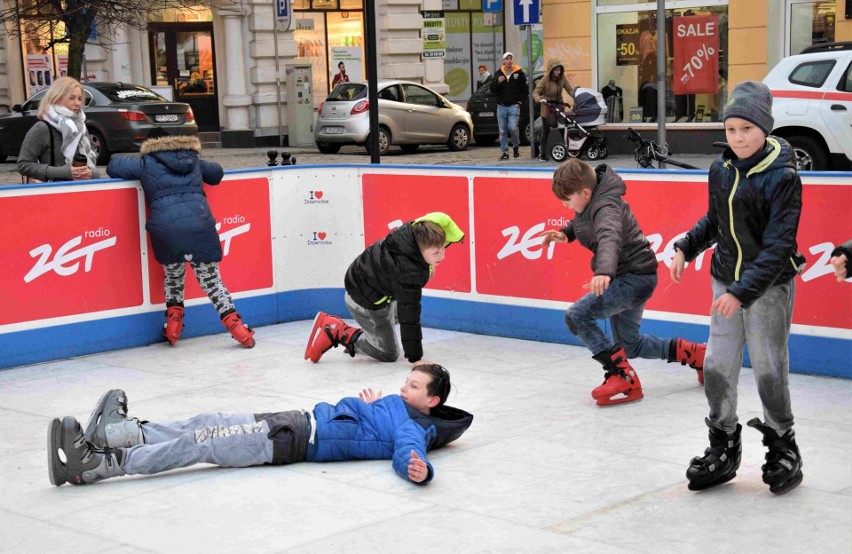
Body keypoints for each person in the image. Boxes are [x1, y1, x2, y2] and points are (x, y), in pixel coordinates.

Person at [670, 81, 805, 495]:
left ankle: (784, 446)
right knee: (716, 367)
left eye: (746, 128)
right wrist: (686, 246)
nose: (738, 137)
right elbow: (714, 220)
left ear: (764, 128)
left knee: (768, 370)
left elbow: (779, 246)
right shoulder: (721, 169)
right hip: (725, 281)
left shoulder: (782, 177)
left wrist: (740, 292)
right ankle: (724, 443)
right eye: (731, 130)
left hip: (766, 288)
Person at [47, 365, 473, 487]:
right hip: (295, 420)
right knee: (209, 422)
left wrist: (419, 469)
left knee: (204, 442)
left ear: (432, 401)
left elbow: (406, 450)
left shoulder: (416, 427)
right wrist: (369, 408)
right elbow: (380, 423)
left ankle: (98, 465)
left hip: (290, 440)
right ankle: (120, 433)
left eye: (413, 385)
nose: (403, 386)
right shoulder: (397, 406)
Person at [540, 158, 707, 407]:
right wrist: (565, 233)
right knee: (630, 344)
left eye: (567, 200)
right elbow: (582, 221)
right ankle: (697, 354)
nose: (565, 206)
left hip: (632, 278)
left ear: (585, 192)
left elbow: (609, 237)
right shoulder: (592, 201)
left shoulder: (606, 207)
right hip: (637, 276)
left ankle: (622, 376)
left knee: (577, 315)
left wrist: (604, 271)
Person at [106, 130, 256, 348]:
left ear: (150, 145)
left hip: (166, 231)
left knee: (174, 277)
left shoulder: (146, 163)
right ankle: (240, 331)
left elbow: (113, 166)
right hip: (200, 226)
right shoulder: (193, 160)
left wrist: (141, 160)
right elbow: (217, 173)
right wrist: (196, 161)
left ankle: (173, 330)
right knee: (212, 282)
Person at [305, 213, 464, 365]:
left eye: (443, 248)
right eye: (436, 252)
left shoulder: (407, 237)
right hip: (364, 302)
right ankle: (339, 331)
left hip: (370, 289)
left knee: (400, 311)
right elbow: (409, 315)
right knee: (388, 354)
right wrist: (415, 358)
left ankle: (371, 333)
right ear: (419, 251)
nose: (442, 256)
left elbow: (440, 219)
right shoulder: (408, 271)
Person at [17, 76, 99, 183]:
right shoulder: (42, 128)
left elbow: (94, 167)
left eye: (79, 98)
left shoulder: (81, 128)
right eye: (71, 98)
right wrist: (63, 172)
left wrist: (91, 173)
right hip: (51, 193)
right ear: (57, 98)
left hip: (79, 192)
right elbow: (23, 165)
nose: (77, 103)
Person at [532, 59, 574, 161]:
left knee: (563, 129)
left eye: (559, 70)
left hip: (558, 106)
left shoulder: (562, 78)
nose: (558, 72)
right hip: (547, 107)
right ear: (551, 70)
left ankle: (568, 150)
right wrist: (540, 99)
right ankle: (542, 154)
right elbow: (535, 92)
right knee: (546, 131)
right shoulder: (544, 80)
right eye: (556, 70)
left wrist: (576, 95)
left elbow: (569, 89)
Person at [490, 52, 527, 160]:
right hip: (501, 107)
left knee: (513, 128)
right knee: (502, 131)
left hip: (513, 106)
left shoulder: (519, 73)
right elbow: (492, 89)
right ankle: (505, 152)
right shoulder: (498, 73)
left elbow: (524, 90)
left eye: (511, 58)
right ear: (503, 61)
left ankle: (515, 146)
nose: (509, 61)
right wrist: (498, 82)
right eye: (507, 59)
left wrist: (519, 102)